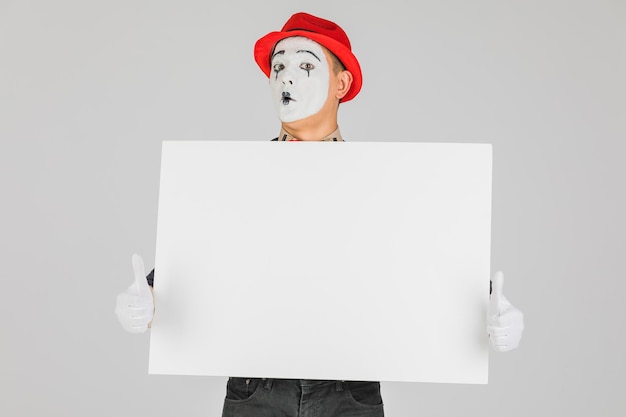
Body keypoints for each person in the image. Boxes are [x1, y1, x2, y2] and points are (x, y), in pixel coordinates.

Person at [115, 12, 524, 417]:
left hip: (349, 391)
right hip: (256, 390)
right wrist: (148, 296)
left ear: (341, 84)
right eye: (278, 67)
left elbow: (428, 252)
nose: (286, 77)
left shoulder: (382, 181)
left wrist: (489, 306)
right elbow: (199, 253)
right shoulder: (236, 176)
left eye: (306, 65)